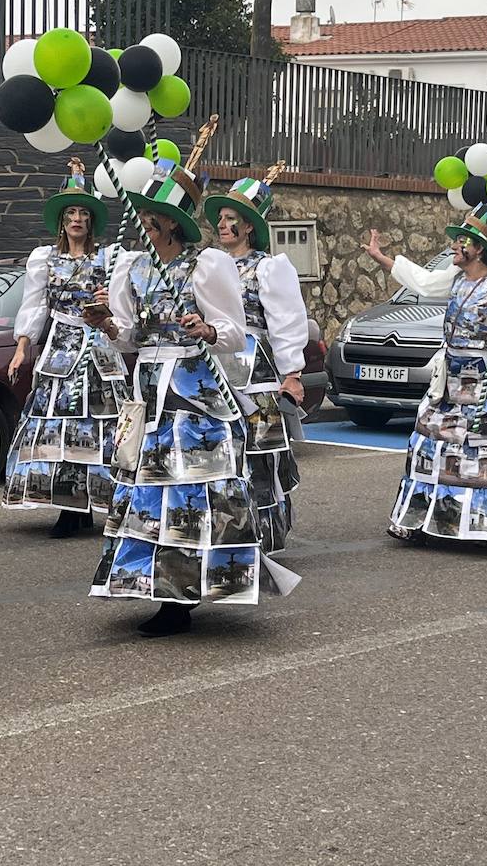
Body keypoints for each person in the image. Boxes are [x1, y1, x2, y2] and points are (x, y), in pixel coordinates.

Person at [84, 160, 277, 637]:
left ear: (173, 222)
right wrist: (106, 324)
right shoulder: (137, 267)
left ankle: (183, 598)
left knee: (189, 489)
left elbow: (234, 334)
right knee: (150, 492)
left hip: (193, 392)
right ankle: (156, 585)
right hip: (150, 390)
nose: (146, 224)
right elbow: (131, 337)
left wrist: (207, 328)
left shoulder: (207, 265)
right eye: (144, 216)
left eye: (154, 217)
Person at [362, 204, 487, 544]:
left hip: (486, 382)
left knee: (484, 449)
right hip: (449, 380)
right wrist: (380, 256)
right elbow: (420, 281)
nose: (454, 245)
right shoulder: (454, 279)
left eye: (461, 240)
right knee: (431, 444)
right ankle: (425, 521)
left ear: (478, 248)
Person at [3, 161, 128, 538]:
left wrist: (109, 307)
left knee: (96, 424)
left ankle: (95, 502)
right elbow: (34, 305)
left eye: (83, 213)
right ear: (61, 219)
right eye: (71, 212)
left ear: (91, 222)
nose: (76, 218)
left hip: (95, 347)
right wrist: (22, 347)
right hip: (60, 346)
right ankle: (66, 505)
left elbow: (121, 310)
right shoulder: (44, 258)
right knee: (58, 426)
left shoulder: (109, 258)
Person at [203, 172, 308, 553]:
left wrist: (292, 373)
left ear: (249, 227)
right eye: (221, 218)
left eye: (233, 218)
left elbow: (286, 319)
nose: (224, 225)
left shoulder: (268, 267)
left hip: (255, 370)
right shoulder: (208, 264)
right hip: (215, 368)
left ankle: (264, 537)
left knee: (259, 453)